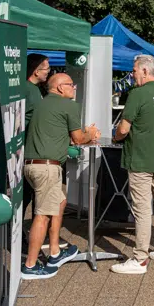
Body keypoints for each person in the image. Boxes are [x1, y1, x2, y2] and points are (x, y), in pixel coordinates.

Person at [22, 73, 100, 279]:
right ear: (59, 88)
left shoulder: (41, 104)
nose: (74, 87)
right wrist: (91, 133)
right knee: (43, 215)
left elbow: (59, 133)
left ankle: (55, 251)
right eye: (70, 84)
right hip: (47, 167)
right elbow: (78, 139)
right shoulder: (69, 106)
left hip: (32, 165)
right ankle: (30, 266)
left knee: (60, 202)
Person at [109, 55, 154, 274]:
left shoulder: (137, 94)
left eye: (135, 70)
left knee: (142, 209)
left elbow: (123, 129)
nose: (132, 74)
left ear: (145, 71)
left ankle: (140, 258)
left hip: (140, 159)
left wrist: (115, 137)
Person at [22, 54, 48, 241]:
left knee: (31, 194)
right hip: (25, 149)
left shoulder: (35, 89)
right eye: (46, 68)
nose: (49, 71)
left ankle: (33, 235)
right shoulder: (27, 89)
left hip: (32, 148)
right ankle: (18, 236)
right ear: (36, 71)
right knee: (24, 195)